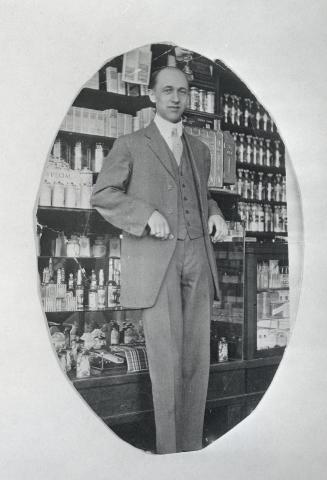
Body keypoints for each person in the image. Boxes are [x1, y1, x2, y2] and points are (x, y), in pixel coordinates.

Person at [91, 66, 228, 454]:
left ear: (189, 97)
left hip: (198, 256)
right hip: (157, 263)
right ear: (152, 95)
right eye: (167, 90)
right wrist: (145, 215)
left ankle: (190, 453)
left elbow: (199, 193)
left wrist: (214, 211)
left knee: (197, 361)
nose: (175, 98)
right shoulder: (131, 144)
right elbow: (103, 194)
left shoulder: (199, 150)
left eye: (182, 91)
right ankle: (170, 458)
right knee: (167, 365)